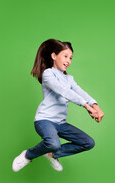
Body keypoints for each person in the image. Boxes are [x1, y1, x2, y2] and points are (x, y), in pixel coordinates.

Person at [12, 39, 104, 172]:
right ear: (54, 56)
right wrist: (86, 106)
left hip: (60, 123)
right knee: (53, 143)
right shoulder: (48, 74)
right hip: (45, 121)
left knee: (88, 143)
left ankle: (51, 154)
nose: (68, 61)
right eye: (65, 56)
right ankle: (27, 155)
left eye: (71, 58)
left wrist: (95, 106)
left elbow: (80, 92)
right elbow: (65, 91)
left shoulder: (69, 79)